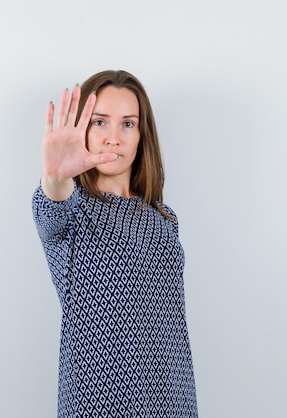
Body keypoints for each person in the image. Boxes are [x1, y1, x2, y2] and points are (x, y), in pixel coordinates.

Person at [32, 70, 198, 417]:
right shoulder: (72, 210)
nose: (113, 138)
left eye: (127, 124)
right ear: (83, 130)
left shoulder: (163, 217)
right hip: (100, 405)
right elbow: (50, 208)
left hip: (173, 398)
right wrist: (56, 176)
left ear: (141, 135)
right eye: (100, 122)